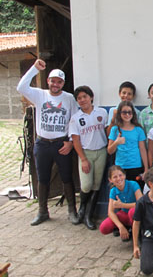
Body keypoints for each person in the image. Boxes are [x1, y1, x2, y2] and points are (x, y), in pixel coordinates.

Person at [17, 59, 79, 226]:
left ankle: (72, 211)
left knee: (67, 177)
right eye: (53, 81)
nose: (55, 84)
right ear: (48, 81)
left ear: (63, 83)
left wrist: (71, 143)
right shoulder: (40, 95)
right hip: (43, 143)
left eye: (59, 82)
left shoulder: (69, 98)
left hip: (61, 144)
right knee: (42, 178)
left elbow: (74, 121)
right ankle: (42, 211)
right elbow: (21, 87)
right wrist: (34, 69)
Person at [69, 85, 108, 230]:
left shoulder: (102, 112)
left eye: (85, 96)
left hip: (101, 151)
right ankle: (82, 209)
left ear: (91, 97)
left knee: (97, 185)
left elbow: (107, 131)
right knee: (86, 185)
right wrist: (83, 159)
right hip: (86, 153)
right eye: (79, 98)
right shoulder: (75, 118)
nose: (82, 100)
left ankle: (88, 216)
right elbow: (75, 140)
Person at [107, 101, 148, 183]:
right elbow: (109, 151)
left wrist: (146, 169)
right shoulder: (115, 129)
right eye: (124, 112)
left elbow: (142, 149)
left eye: (130, 112)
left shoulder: (138, 129)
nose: (127, 115)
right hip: (120, 167)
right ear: (119, 114)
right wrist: (116, 142)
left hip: (136, 166)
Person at [99, 165, 142, 240]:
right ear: (110, 180)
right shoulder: (113, 190)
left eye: (120, 175)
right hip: (125, 215)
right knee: (104, 227)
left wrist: (122, 205)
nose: (118, 179)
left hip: (137, 215)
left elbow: (141, 204)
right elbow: (110, 212)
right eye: (115, 177)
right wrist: (120, 226)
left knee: (133, 211)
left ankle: (138, 235)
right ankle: (125, 229)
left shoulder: (133, 184)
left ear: (124, 176)